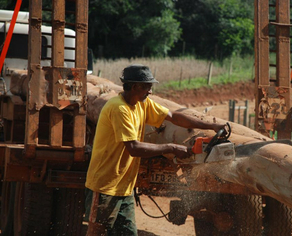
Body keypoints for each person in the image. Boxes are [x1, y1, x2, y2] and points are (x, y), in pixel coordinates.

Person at [85, 64, 225, 236]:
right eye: (147, 87)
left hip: (124, 186)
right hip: (105, 186)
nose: (150, 92)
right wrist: (172, 147)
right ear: (135, 86)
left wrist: (211, 125)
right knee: (98, 232)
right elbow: (134, 148)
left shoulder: (141, 104)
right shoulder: (119, 108)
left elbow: (174, 117)